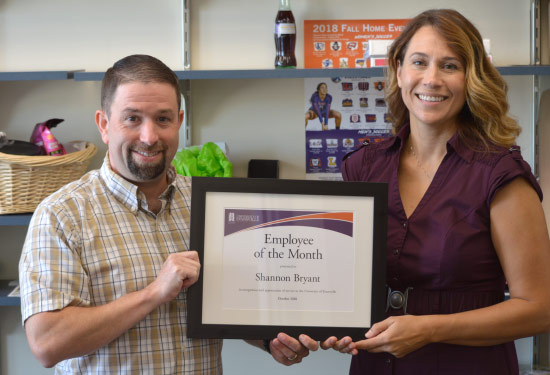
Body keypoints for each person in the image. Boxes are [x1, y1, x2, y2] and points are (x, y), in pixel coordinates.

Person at [18, 54, 316, 374]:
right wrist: (153, 294)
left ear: (179, 121)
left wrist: (270, 340)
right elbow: (47, 343)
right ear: (104, 125)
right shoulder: (61, 216)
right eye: (132, 118)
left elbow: (232, 306)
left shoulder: (211, 204)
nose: (149, 137)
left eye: (163, 119)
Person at [300, 8, 550, 374]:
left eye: (450, 66)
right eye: (419, 62)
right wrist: (314, 323)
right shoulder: (364, 168)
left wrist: (429, 329)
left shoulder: (499, 175)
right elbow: (341, 280)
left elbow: (539, 308)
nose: (431, 79)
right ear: (399, 71)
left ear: (471, 78)